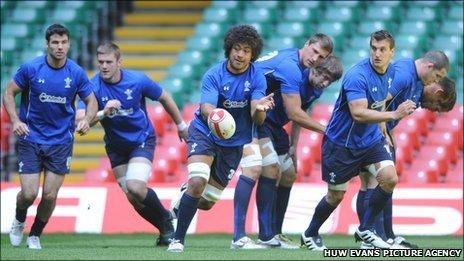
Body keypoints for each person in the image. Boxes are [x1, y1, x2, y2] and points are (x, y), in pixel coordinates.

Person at [300, 30, 418, 250]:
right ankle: (309, 234)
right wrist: (393, 115)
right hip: (341, 144)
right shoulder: (358, 75)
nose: (377, 54)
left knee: (389, 178)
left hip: (370, 141)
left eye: (383, 49)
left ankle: (366, 229)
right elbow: (358, 113)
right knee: (335, 196)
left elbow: (381, 99)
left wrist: (382, 127)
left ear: (392, 52)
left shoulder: (391, 71)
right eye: (374, 48)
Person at [167, 25, 275, 253]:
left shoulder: (257, 77)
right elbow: (206, 107)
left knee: (206, 202)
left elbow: (258, 114)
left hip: (235, 143)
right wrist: (216, 116)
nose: (240, 54)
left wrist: (262, 108)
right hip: (205, 133)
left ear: (252, 54)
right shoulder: (214, 74)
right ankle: (177, 240)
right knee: (198, 181)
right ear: (229, 49)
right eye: (237, 48)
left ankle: (185, 195)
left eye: (246, 50)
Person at [75, 42, 187, 246]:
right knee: (132, 197)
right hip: (116, 147)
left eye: (109, 62)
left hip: (141, 140)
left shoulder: (137, 80)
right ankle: (165, 229)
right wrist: (103, 113)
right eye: (100, 62)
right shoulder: (92, 87)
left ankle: (166, 218)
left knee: (135, 187)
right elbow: (81, 120)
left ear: (120, 62)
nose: (104, 66)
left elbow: (164, 97)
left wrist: (180, 124)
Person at [232, 54, 342, 249]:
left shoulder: (315, 89)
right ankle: (265, 234)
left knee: (289, 173)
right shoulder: (296, 77)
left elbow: (301, 113)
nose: (325, 83)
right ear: (315, 70)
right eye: (323, 77)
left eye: (330, 81)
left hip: (277, 128)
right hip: (262, 121)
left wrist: (294, 145)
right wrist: (327, 131)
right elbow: (294, 112)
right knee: (271, 168)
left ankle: (276, 232)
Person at [3, 24, 98, 250]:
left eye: (63, 42)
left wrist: (87, 119)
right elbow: (8, 93)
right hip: (31, 138)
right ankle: (19, 220)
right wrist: (16, 121)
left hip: (61, 142)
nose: (59, 47)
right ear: (47, 44)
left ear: (69, 44)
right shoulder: (30, 68)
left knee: (49, 195)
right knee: (28, 193)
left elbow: (92, 101)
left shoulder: (75, 73)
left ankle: (35, 234)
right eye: (55, 42)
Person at [356, 53, 453, 249]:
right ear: (439, 93)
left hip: (377, 132)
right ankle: (374, 238)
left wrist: (390, 136)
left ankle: (386, 236)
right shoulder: (405, 73)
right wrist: (382, 128)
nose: (431, 110)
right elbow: (380, 98)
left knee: (382, 183)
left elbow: (392, 111)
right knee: (373, 182)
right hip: (368, 131)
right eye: (436, 107)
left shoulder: (417, 86)